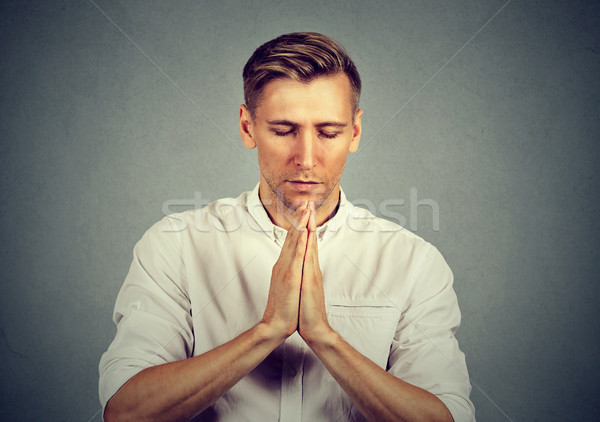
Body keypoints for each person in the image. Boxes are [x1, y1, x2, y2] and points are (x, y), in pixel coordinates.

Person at [99, 32, 475, 422]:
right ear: (248, 127)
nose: (307, 158)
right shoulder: (174, 246)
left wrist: (324, 338)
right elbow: (125, 412)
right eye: (283, 130)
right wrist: (268, 330)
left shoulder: (414, 262)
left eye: (329, 132)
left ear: (355, 133)